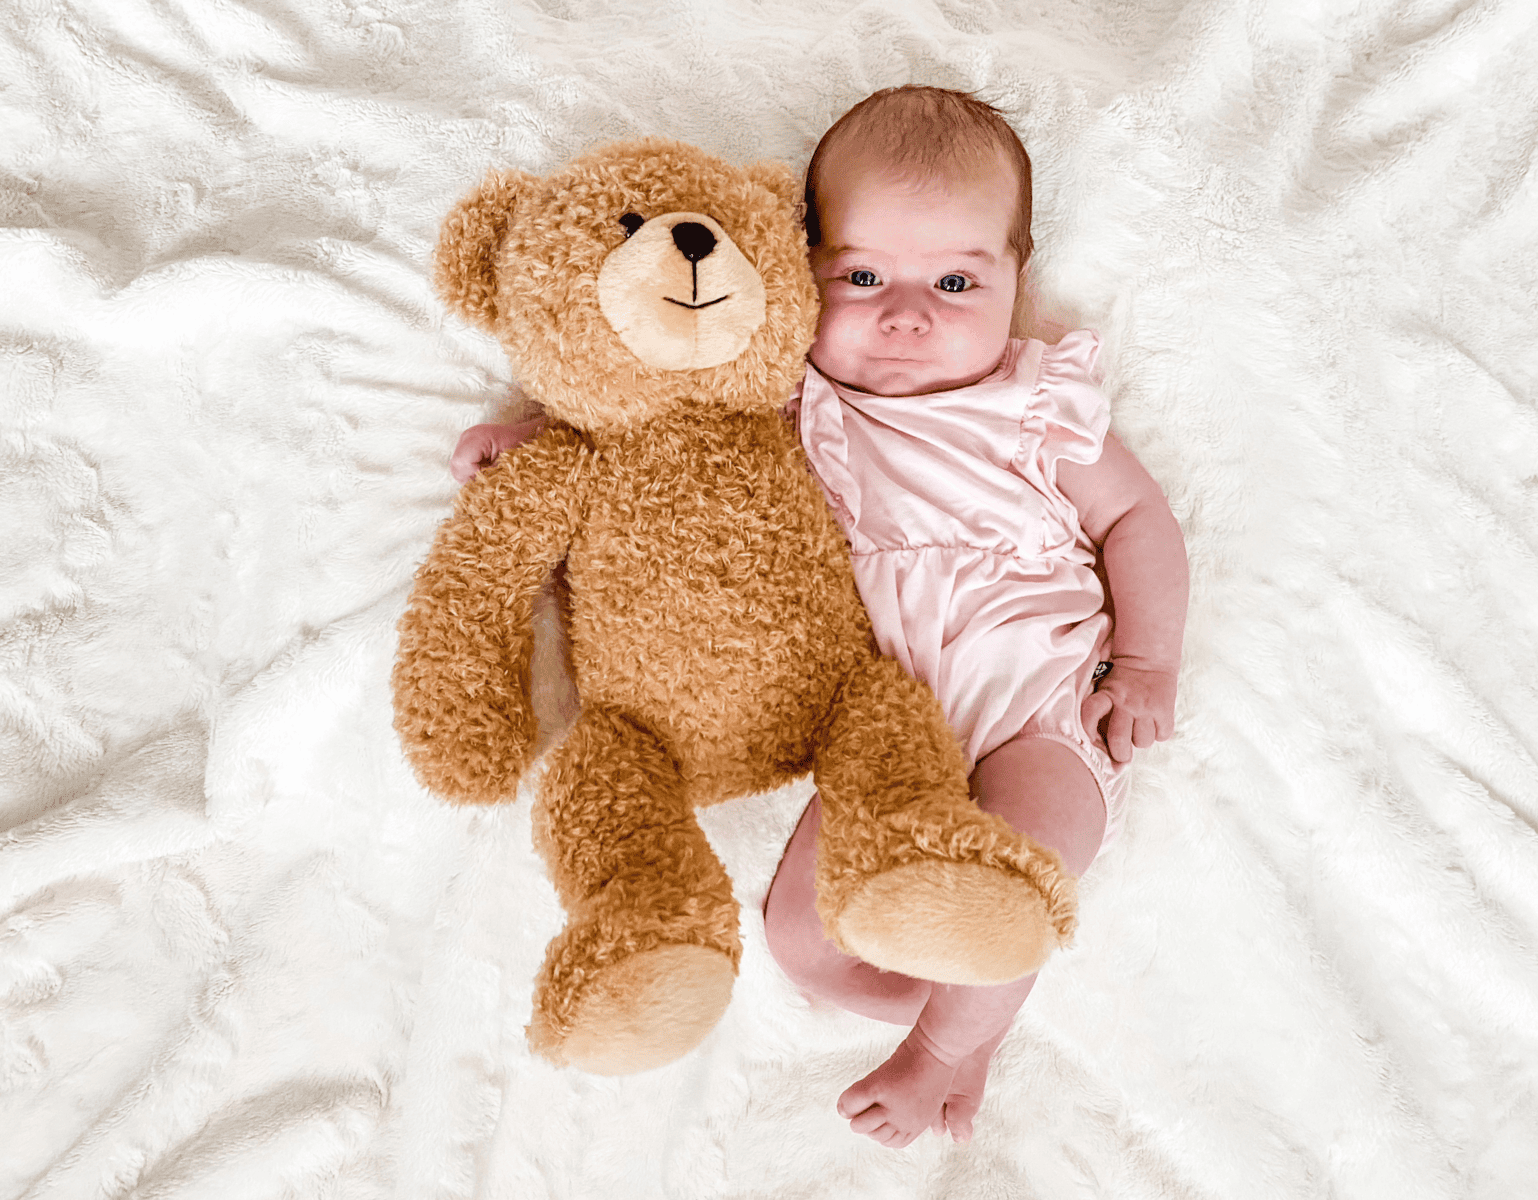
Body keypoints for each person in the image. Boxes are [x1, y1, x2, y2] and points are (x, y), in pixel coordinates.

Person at [450, 86, 1189, 1150]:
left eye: (955, 280)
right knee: (804, 938)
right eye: (860, 275)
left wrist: (1149, 662)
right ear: (798, 276)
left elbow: (1136, 517)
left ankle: (947, 1049)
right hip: (878, 733)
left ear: (1015, 280)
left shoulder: (1032, 406)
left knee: (1016, 857)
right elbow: (656, 412)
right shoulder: (793, 399)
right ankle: (968, 999)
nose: (906, 312)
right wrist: (537, 443)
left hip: (1037, 707)